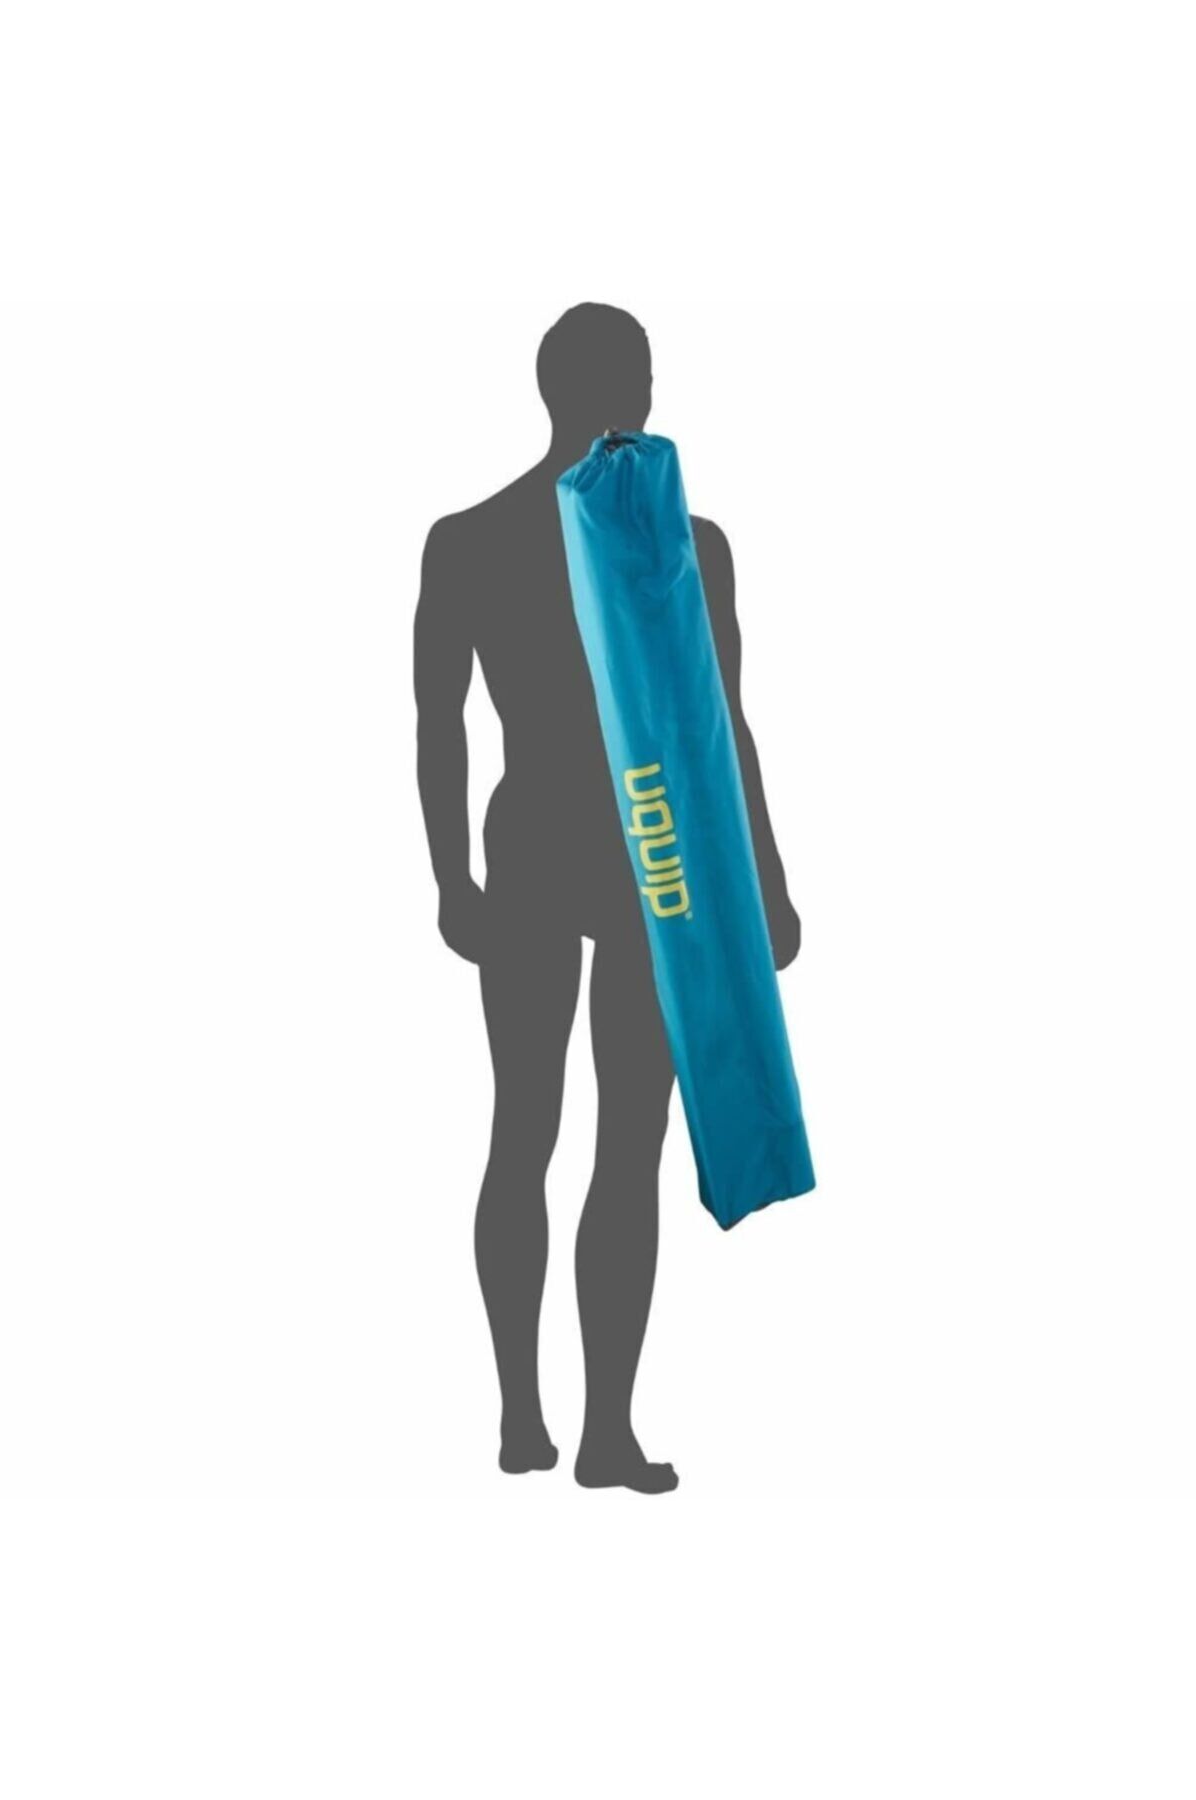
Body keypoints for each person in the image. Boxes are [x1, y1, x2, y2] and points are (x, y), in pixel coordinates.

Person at [414, 304, 801, 1493]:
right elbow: (440, 724)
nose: (643, 397)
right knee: (563, 1136)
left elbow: (723, 726)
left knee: (582, 1138)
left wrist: (768, 883)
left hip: (613, 862)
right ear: (621, 391)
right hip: (610, 860)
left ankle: (575, 1428)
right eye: (638, 377)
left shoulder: (672, 546)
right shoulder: (520, 540)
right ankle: (551, 1422)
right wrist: (448, 880)